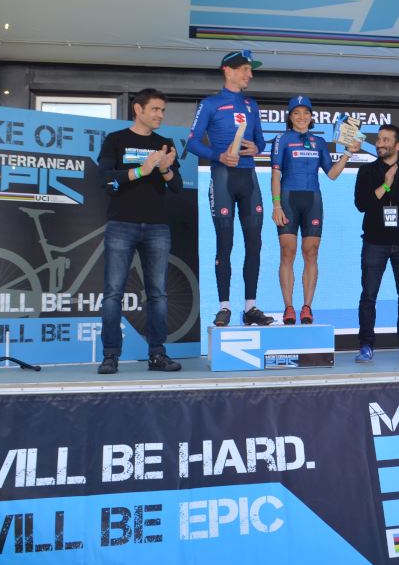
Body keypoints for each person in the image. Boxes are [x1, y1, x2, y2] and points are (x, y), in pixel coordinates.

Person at [97, 89, 183, 374]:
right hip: (121, 224)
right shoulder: (115, 140)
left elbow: (177, 186)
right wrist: (141, 171)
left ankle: (157, 354)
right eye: (155, 109)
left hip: (157, 227)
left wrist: (166, 170)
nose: (160, 115)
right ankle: (110, 355)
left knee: (158, 294)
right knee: (113, 293)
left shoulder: (164, 144)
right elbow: (105, 181)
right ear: (138, 109)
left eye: (162, 110)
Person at [186, 49, 273, 327]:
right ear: (229, 70)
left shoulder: (252, 104)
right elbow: (192, 142)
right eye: (246, 69)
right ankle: (224, 307)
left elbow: (261, 142)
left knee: (254, 244)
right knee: (225, 243)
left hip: (249, 179)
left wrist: (256, 148)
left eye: (251, 69)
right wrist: (219, 156)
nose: (250, 74)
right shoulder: (210, 104)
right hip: (223, 177)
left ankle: (250, 307)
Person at [270, 95, 359, 324]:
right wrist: (276, 205)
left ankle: (307, 307)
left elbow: (332, 174)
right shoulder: (282, 139)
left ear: (311, 117)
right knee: (287, 251)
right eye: (296, 113)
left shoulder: (319, 142)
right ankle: (288, 307)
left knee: (311, 252)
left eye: (306, 113)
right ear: (290, 117)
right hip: (288, 199)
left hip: (313, 200)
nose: (301, 117)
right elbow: (276, 174)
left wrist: (348, 153)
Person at [353, 124, 399, 362]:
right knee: (369, 296)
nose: (379, 144)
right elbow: (362, 204)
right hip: (374, 242)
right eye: (379, 139)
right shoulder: (367, 171)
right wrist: (385, 184)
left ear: (398, 145)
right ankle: (366, 345)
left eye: (385, 140)